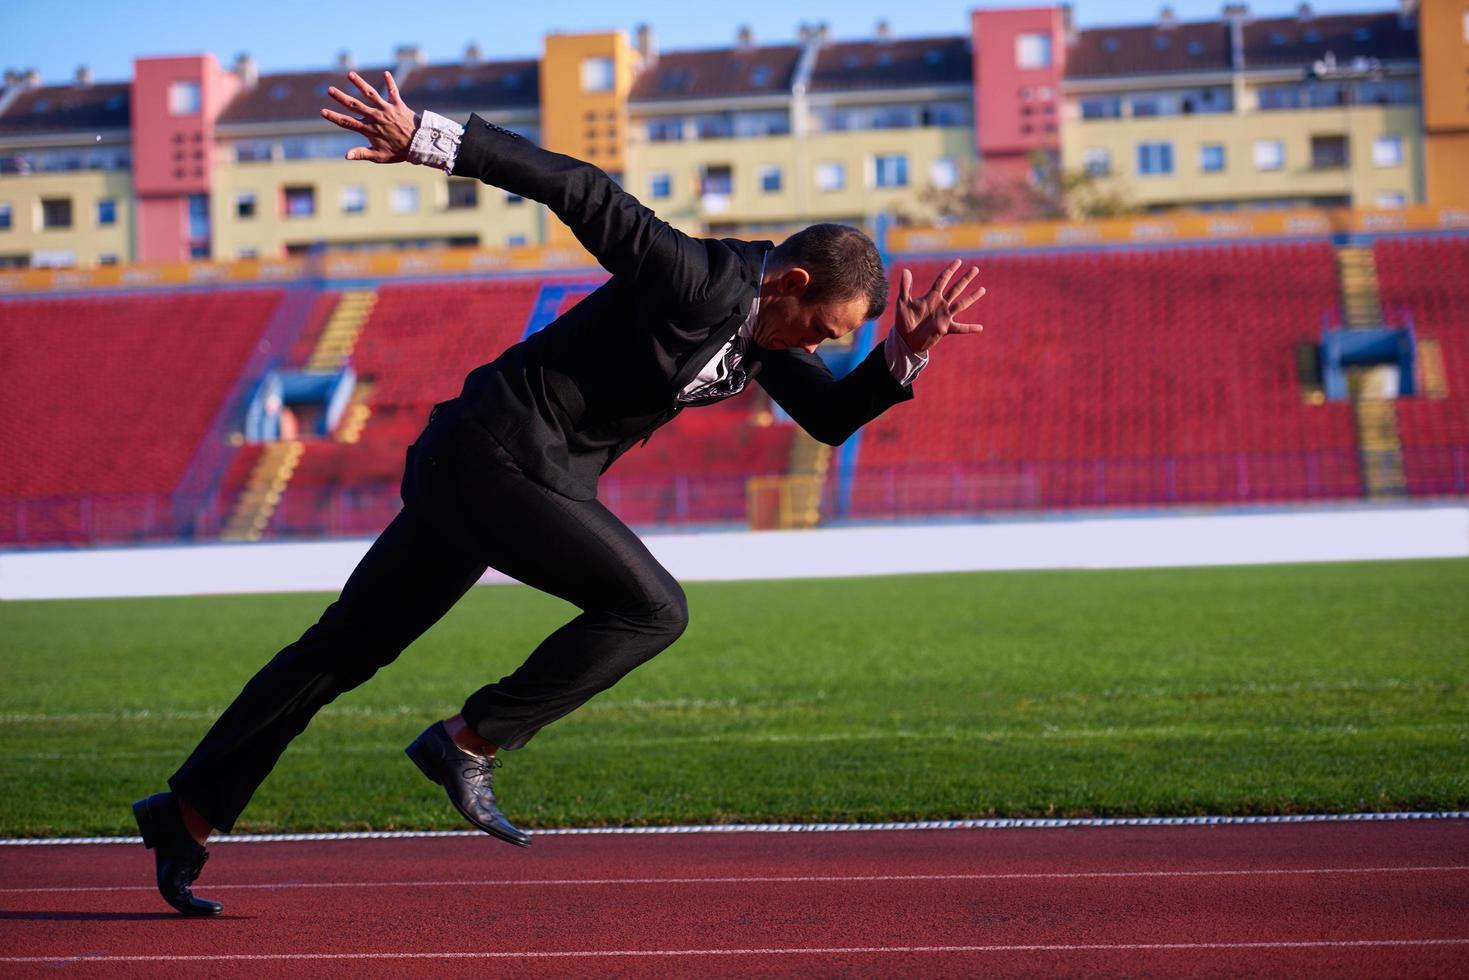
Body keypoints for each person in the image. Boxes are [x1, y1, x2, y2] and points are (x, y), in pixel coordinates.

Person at [132, 69, 987, 916]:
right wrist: (428, 139)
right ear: (792, 285)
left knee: (340, 652)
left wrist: (899, 359)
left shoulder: (766, 344)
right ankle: (468, 742)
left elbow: (831, 419)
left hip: (480, 472)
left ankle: (188, 814)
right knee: (653, 610)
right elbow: (580, 188)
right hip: (495, 453)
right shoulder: (695, 277)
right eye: (825, 331)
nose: (819, 347)